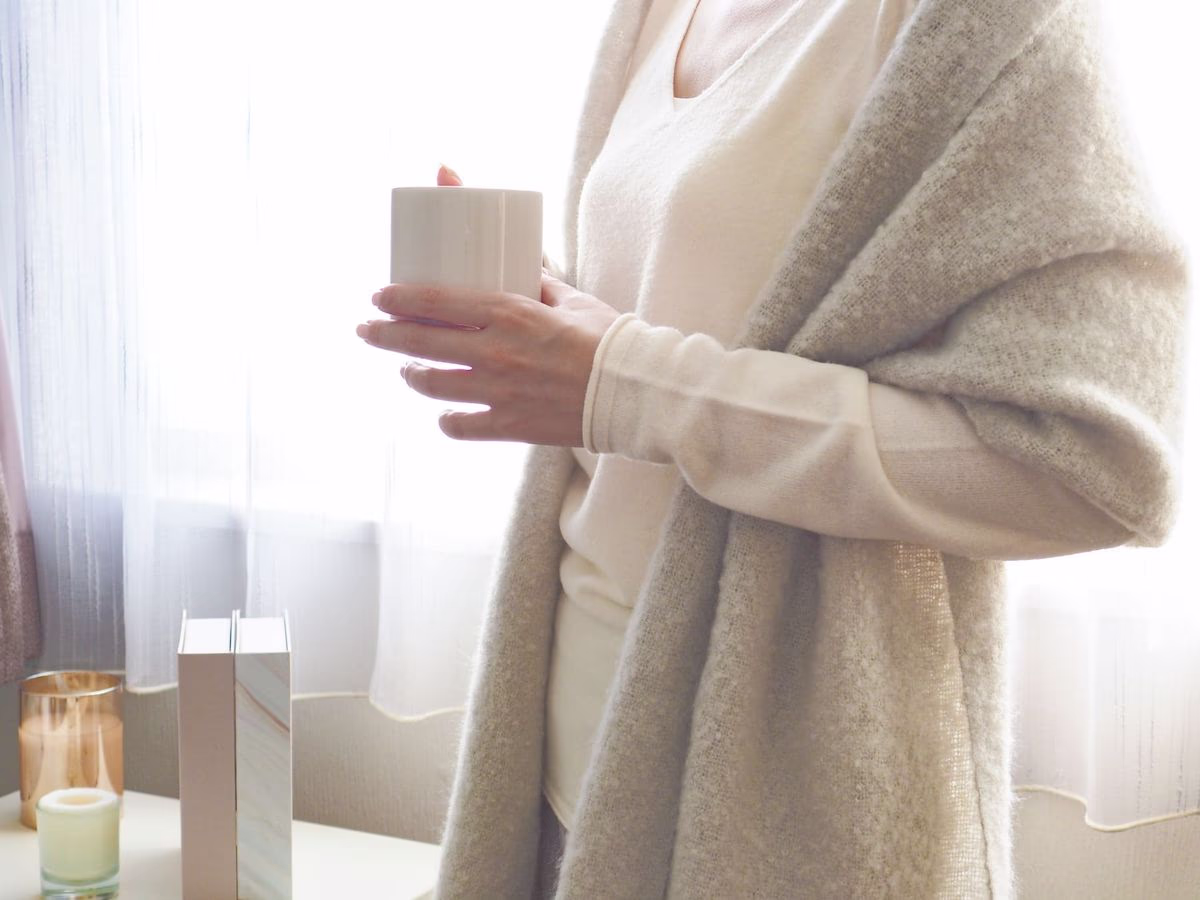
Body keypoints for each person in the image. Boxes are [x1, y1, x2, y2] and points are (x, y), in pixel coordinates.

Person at [357, 0, 1188, 896]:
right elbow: (682, 324)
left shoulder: (990, 22)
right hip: (563, 744)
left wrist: (629, 384)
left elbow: (1097, 469)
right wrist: (547, 328)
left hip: (788, 790)